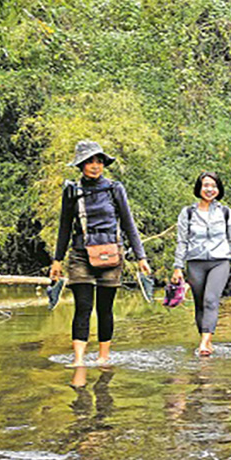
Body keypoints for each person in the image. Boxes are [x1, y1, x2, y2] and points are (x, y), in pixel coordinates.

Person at [49, 140, 152, 366]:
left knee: (105, 308)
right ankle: (78, 360)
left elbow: (128, 224)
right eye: (90, 161)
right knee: (83, 307)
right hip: (80, 254)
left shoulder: (115, 189)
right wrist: (57, 260)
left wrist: (141, 257)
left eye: (99, 161)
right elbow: (64, 226)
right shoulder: (71, 191)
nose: (95, 166)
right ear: (81, 165)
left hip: (112, 253)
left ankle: (104, 357)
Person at [171, 171, 231, 357]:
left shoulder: (226, 212)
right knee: (200, 304)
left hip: (220, 261)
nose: (209, 189)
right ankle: (207, 341)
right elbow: (182, 241)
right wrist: (178, 267)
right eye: (206, 185)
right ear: (199, 188)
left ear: (218, 189)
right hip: (195, 262)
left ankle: (203, 343)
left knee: (211, 299)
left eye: (213, 186)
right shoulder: (187, 212)